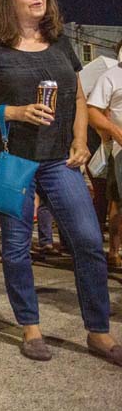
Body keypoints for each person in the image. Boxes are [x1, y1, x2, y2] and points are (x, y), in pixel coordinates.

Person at [0, 0, 121, 366]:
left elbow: (79, 98)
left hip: (59, 159)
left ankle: (99, 332)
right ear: (9, 1)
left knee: (88, 241)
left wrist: (81, 140)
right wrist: (16, 111)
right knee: (17, 246)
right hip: (12, 159)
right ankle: (30, 327)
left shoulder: (61, 44)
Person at [86, 40, 122, 267]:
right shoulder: (111, 76)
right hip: (119, 152)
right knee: (116, 202)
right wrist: (112, 131)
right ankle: (114, 251)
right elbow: (92, 111)